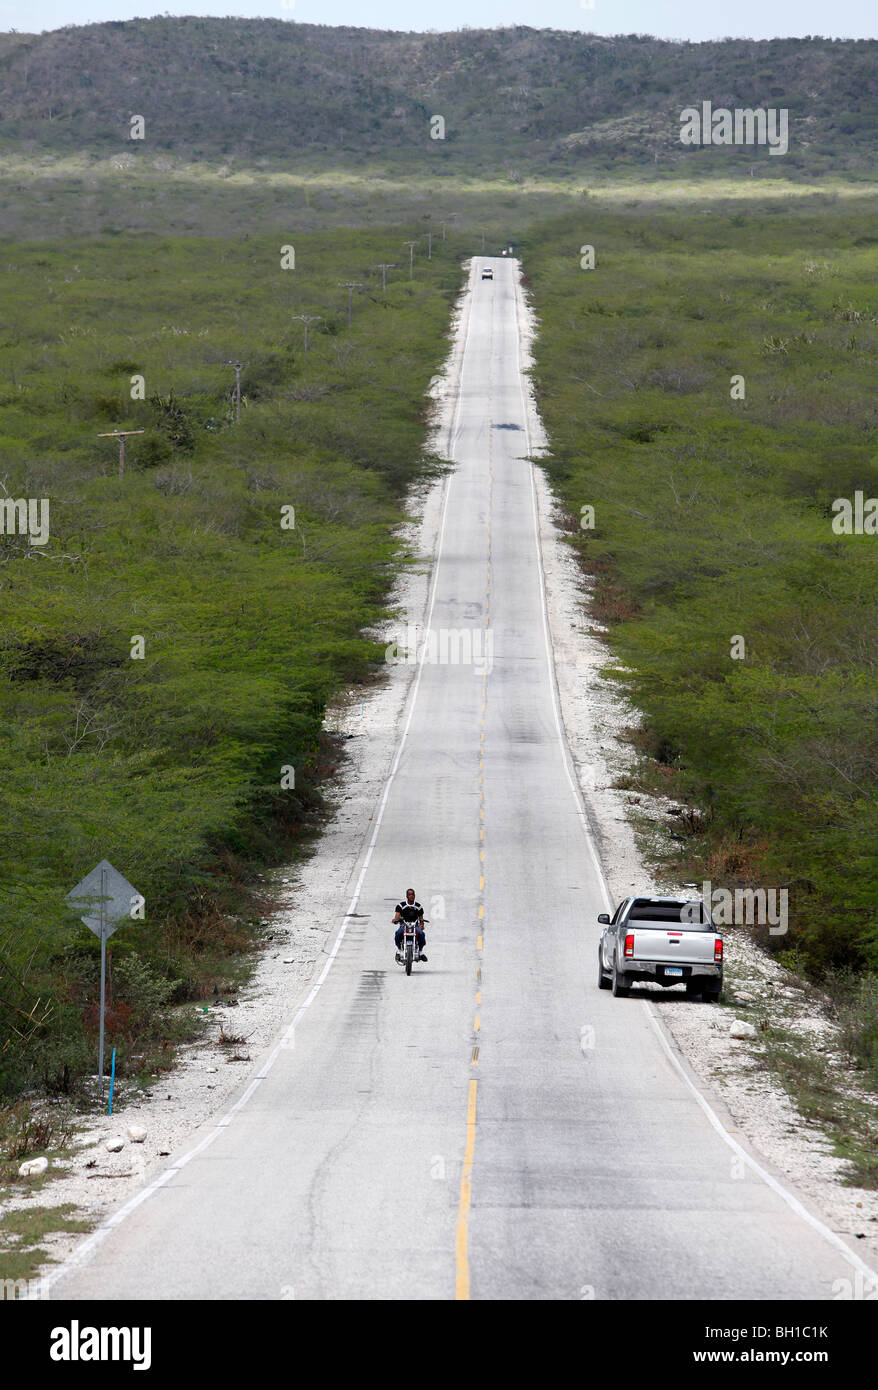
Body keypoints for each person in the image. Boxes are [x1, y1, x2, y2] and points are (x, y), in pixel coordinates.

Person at [393, 889, 428, 962]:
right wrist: (395, 920)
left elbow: (421, 919)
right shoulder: (401, 905)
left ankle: (421, 952)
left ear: (414, 895)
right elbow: (397, 916)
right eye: (409, 894)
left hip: (415, 925)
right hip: (404, 925)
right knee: (398, 933)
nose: (411, 896)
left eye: (413, 894)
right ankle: (399, 950)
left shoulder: (418, 906)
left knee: (421, 934)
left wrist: (421, 925)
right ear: (407, 896)